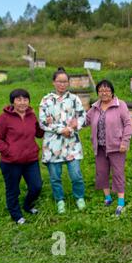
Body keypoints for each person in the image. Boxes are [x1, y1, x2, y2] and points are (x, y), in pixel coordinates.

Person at [0, 89, 44, 225]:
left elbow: (39, 133)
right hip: (11, 162)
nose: (22, 102)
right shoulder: (4, 118)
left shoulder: (31, 115)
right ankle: (16, 215)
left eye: (25, 99)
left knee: (36, 186)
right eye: (19, 99)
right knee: (13, 190)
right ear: (13, 101)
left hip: (31, 160)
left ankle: (28, 205)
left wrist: (45, 123)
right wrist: (9, 151)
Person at [39, 67, 87, 214]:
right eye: (59, 81)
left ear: (68, 83)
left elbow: (81, 116)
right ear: (54, 82)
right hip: (52, 145)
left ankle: (79, 197)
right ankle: (59, 200)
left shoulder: (74, 99)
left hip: (71, 144)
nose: (62, 84)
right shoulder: (46, 100)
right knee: (55, 177)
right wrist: (63, 129)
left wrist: (72, 129)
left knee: (76, 174)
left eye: (65, 81)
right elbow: (43, 122)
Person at [86, 80, 132, 216]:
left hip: (117, 147)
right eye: (101, 90)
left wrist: (125, 141)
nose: (104, 93)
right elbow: (85, 121)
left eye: (107, 90)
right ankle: (107, 197)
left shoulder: (120, 105)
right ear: (98, 93)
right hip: (99, 146)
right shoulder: (95, 107)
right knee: (101, 172)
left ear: (112, 92)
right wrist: (71, 122)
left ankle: (121, 201)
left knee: (118, 173)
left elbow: (128, 124)